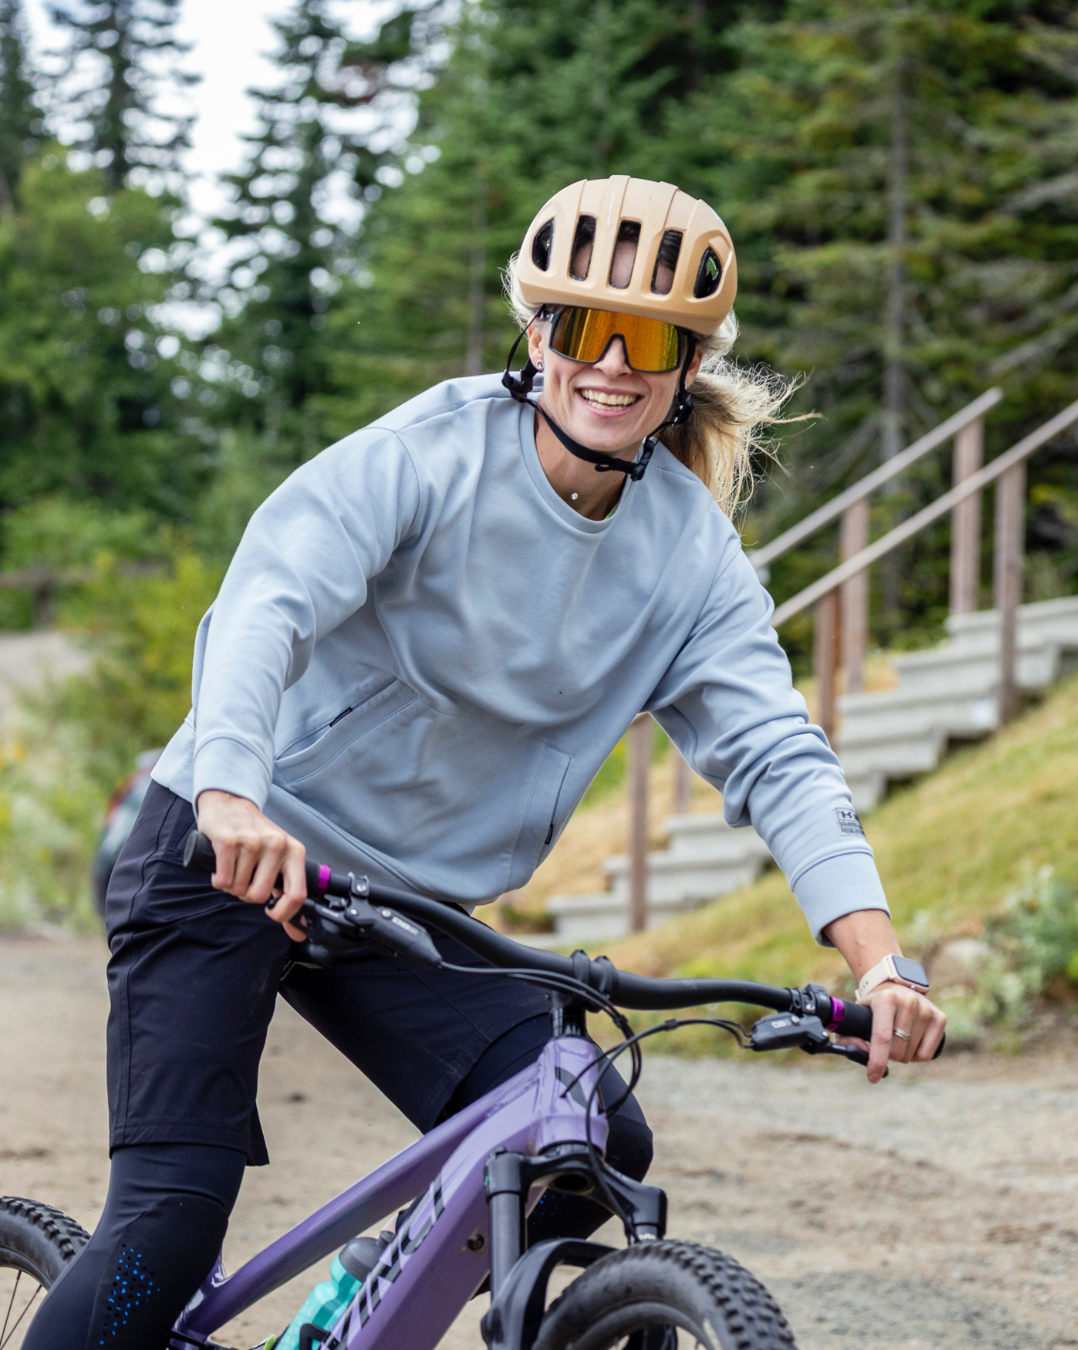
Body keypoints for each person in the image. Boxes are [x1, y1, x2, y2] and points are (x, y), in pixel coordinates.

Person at [25, 175, 945, 1349]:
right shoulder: (431, 453)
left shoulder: (691, 560)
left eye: (648, 339)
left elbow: (779, 756)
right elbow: (267, 604)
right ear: (536, 334)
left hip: (399, 909)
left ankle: (354, 1307)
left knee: (585, 1142)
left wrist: (882, 967)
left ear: (685, 367)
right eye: (581, 328)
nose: (610, 364)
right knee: (169, 1221)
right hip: (229, 847)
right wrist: (231, 793)